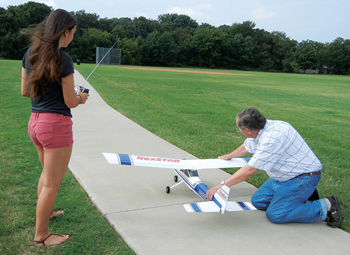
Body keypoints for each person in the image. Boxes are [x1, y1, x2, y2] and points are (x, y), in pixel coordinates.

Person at [206, 107, 342, 227]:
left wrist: (222, 185)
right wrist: (231, 155)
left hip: (302, 177)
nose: (239, 130)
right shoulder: (261, 128)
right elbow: (248, 145)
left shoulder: (272, 139)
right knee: (258, 201)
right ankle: (300, 197)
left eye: (238, 128)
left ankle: (327, 205)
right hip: (282, 177)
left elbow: (249, 170)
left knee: (276, 215)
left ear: (246, 129)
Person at [21, 9, 89, 246]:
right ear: (65, 32)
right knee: (52, 182)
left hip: (35, 123)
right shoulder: (63, 59)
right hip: (55, 126)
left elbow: (25, 91)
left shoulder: (30, 53)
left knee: (46, 176)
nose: (72, 37)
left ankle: (45, 212)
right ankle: (41, 236)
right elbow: (70, 102)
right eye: (73, 33)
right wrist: (80, 98)